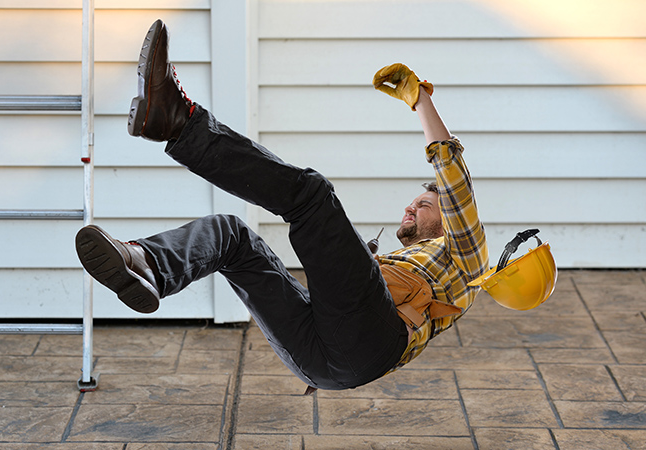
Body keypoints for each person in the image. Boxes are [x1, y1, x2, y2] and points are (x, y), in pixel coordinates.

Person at [75, 19, 489, 392]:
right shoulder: (410, 262)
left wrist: (421, 100)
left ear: (450, 220)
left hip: (372, 342)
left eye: (423, 204)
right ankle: (148, 264)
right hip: (323, 365)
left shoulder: (467, 258)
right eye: (414, 203)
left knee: (313, 197)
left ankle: (177, 122)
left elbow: (455, 183)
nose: (410, 209)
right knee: (231, 237)